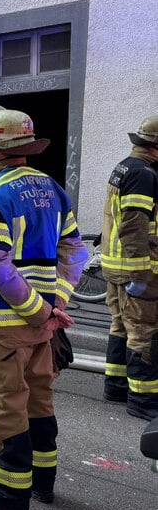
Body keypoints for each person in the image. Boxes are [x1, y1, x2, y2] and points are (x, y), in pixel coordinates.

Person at [0, 107, 86, 510]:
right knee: (40, 400)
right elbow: (76, 252)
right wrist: (57, 304)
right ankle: (43, 482)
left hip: (4, 324)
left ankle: (10, 497)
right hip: (42, 329)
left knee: (5, 405)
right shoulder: (53, 188)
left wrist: (39, 312)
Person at [100, 115, 158, 419]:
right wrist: (141, 274)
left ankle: (116, 386)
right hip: (135, 270)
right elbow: (134, 225)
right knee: (144, 333)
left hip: (115, 267)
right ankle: (144, 400)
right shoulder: (144, 175)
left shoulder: (124, 166)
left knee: (120, 327)